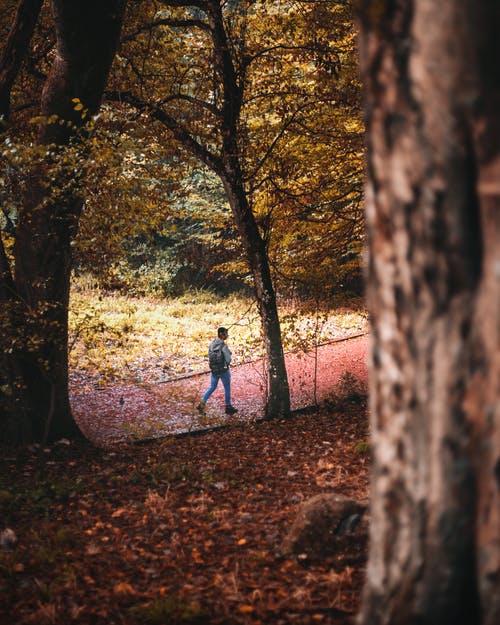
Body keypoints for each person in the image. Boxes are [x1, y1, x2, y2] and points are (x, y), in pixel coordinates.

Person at [197, 327, 238, 415]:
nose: (227, 335)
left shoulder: (212, 344)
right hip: (223, 370)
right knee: (227, 388)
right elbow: (228, 360)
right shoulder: (223, 346)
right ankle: (228, 407)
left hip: (214, 370)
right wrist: (228, 357)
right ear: (222, 335)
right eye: (226, 333)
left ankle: (202, 403)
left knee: (212, 387)